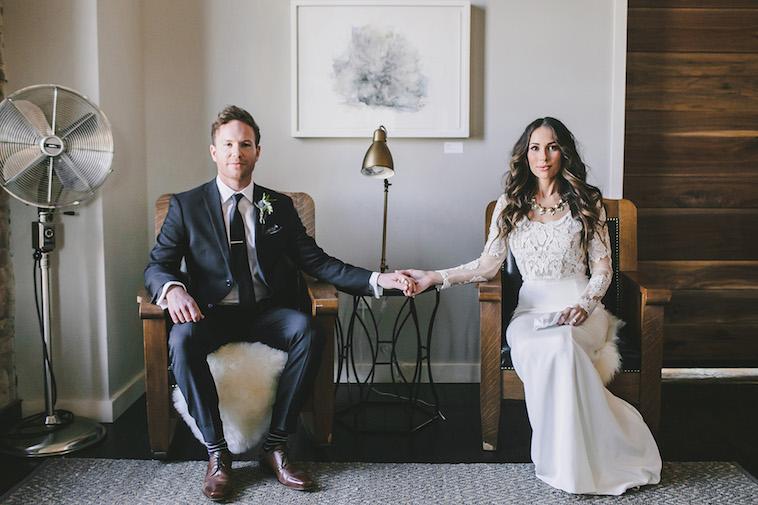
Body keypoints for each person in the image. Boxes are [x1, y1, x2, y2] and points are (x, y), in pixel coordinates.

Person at [144, 105, 414, 501]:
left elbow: (317, 262)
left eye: (246, 144)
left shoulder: (280, 206)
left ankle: (275, 446)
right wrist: (172, 289)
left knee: (308, 330)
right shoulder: (186, 205)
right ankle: (217, 454)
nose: (237, 152)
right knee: (182, 339)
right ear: (214, 151)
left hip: (266, 313)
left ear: (258, 151)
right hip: (211, 314)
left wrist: (377, 279)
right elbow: (158, 265)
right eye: (228, 144)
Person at [400, 117, 661, 495]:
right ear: (525, 154)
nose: (543, 156)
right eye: (535, 148)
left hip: (582, 310)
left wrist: (585, 305)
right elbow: (486, 266)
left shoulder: (587, 202)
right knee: (550, 345)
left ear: (563, 152)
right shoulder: (510, 205)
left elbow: (603, 269)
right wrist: (433, 277)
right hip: (530, 314)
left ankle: (591, 459)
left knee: (563, 343)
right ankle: (565, 461)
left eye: (552, 147)